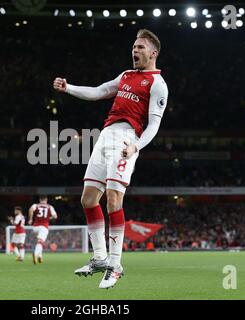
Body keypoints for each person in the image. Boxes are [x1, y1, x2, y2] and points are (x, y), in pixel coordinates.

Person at [53, 29, 168, 289]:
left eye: (140, 47)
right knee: (88, 198)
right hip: (105, 135)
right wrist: (68, 88)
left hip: (126, 139)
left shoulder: (158, 84)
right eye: (133, 46)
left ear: (153, 53)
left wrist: (136, 146)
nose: (134, 51)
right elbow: (98, 92)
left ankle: (115, 265)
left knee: (114, 199)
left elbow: (153, 125)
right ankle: (100, 258)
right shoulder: (126, 76)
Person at [28, 195, 58, 264]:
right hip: (43, 227)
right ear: (46, 200)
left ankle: (40, 256)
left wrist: (30, 219)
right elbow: (55, 216)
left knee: (39, 242)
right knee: (40, 242)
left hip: (35, 227)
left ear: (39, 200)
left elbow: (30, 210)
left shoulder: (36, 205)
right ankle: (35, 255)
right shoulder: (50, 206)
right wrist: (49, 218)